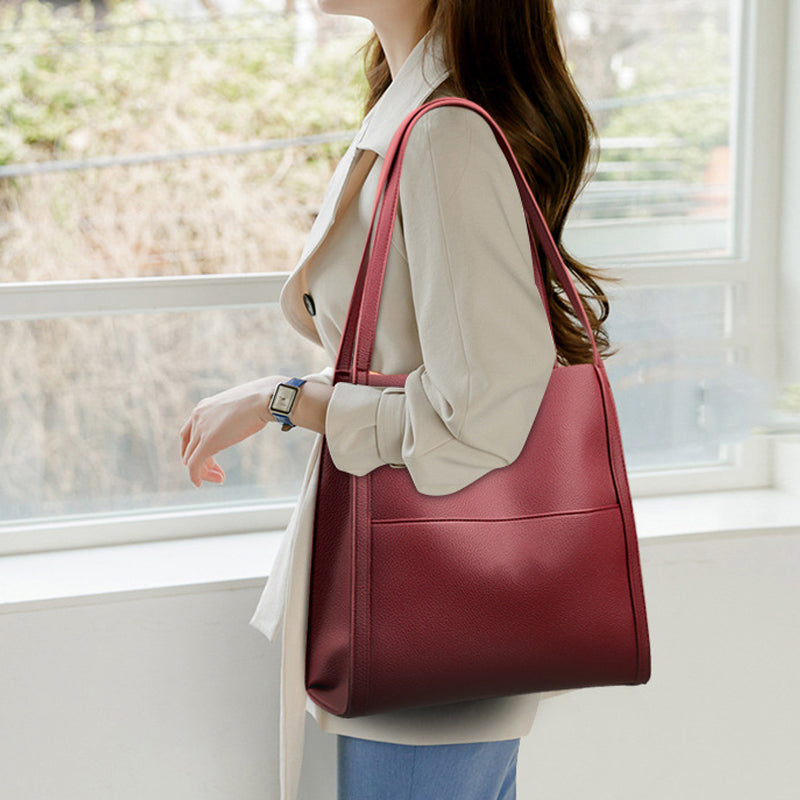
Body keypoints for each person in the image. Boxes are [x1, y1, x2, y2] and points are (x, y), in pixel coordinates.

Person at [180, 1, 614, 798]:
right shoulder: (414, 110)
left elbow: (477, 416)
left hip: (433, 615)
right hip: (421, 604)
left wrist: (287, 399)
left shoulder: (447, 135)